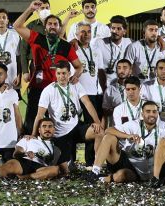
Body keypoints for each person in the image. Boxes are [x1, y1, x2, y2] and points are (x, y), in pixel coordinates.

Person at [13, 0, 83, 136]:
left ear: (59, 27)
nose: (52, 26)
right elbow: (17, 26)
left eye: (55, 24)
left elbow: (79, 66)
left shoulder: (66, 46)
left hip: (58, 91)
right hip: (38, 87)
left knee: (57, 124)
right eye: (49, 24)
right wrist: (30, 9)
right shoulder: (36, 38)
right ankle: (30, 145)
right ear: (45, 27)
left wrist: (76, 75)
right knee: (32, 121)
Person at [33, 61, 103, 171]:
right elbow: (40, 115)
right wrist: (33, 135)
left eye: (64, 73)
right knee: (67, 169)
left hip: (76, 127)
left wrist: (97, 122)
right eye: (59, 73)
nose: (61, 76)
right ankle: (69, 161)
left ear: (69, 73)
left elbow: (87, 103)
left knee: (99, 132)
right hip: (59, 134)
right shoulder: (48, 90)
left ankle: (95, 167)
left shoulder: (76, 85)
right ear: (55, 74)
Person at [92, 99, 165, 186]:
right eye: (148, 111)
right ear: (142, 114)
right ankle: (95, 172)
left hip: (153, 167)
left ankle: (155, 178)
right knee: (109, 137)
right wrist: (128, 136)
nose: (151, 114)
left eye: (154, 112)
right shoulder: (134, 125)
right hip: (131, 166)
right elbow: (108, 130)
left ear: (157, 113)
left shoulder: (163, 127)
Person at [74, 22, 103, 165]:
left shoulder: (96, 50)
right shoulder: (73, 49)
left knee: (93, 127)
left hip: (93, 94)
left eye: (88, 31)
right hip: (75, 93)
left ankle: (90, 162)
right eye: (82, 32)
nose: (86, 34)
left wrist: (102, 90)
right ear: (76, 34)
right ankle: (70, 160)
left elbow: (100, 72)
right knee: (71, 125)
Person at [94, 15, 132, 93]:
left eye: (119, 29)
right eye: (113, 28)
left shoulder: (130, 43)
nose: (115, 31)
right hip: (102, 88)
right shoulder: (100, 43)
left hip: (122, 88)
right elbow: (99, 68)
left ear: (125, 31)